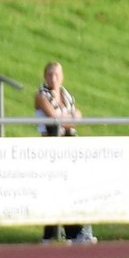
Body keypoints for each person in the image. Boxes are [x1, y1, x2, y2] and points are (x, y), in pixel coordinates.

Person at [34, 61, 95, 245]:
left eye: (57, 75)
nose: (54, 78)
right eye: (50, 75)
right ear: (45, 77)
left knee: (72, 189)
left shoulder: (67, 95)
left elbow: (77, 118)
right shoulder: (41, 95)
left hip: (69, 146)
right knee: (53, 189)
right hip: (52, 145)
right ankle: (51, 234)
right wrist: (71, 118)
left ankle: (74, 231)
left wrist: (70, 118)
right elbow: (54, 118)